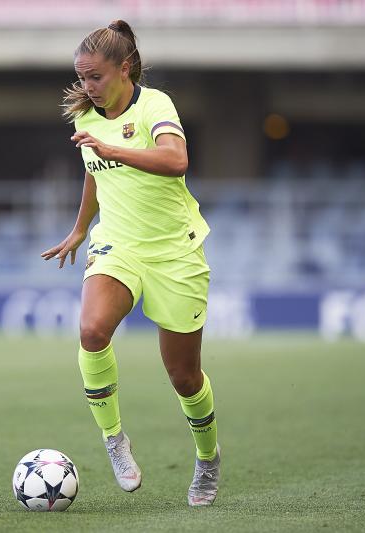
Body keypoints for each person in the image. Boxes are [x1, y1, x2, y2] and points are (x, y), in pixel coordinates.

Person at [42, 21, 220, 506]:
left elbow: (176, 160)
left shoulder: (155, 104)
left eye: (95, 77)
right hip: (117, 245)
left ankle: (207, 459)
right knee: (92, 331)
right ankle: (114, 440)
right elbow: (95, 174)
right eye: (81, 77)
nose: (87, 87)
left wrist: (112, 149)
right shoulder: (85, 116)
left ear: (125, 69)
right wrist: (81, 228)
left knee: (185, 377)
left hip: (174, 251)